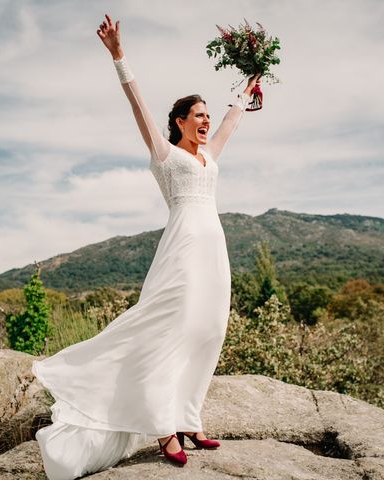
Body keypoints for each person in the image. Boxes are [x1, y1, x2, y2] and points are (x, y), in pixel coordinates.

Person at [31, 13, 261, 480]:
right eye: (198, 116)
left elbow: (234, 120)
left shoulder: (209, 155)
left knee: (208, 330)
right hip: (181, 249)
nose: (206, 123)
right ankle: (163, 429)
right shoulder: (165, 154)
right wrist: (119, 56)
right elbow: (137, 105)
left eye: (207, 117)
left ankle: (188, 420)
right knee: (168, 330)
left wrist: (251, 80)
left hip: (213, 250)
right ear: (179, 121)